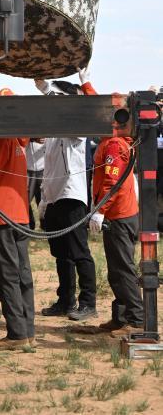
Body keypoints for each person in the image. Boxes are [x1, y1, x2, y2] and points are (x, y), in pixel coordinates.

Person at [79, 74, 144, 336]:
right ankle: (120, 317)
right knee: (117, 269)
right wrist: (86, 85)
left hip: (118, 214)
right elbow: (98, 106)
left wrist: (100, 211)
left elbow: (111, 183)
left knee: (122, 268)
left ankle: (136, 320)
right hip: (116, 214)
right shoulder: (112, 139)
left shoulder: (115, 145)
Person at [35, 76, 97, 321]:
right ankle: (65, 300)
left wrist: (47, 90)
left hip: (72, 196)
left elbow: (65, 110)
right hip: (54, 198)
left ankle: (88, 302)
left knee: (79, 251)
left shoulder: (77, 128)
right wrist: (43, 199)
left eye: (59, 99)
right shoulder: (52, 133)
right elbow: (48, 170)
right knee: (60, 254)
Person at [0, 87, 35, 350]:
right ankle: (28, 330)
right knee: (23, 273)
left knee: (6, 275)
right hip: (20, 214)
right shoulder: (19, 141)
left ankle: (16, 334)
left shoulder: (1, 137)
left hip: (1, 214)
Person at [26, 140, 45, 229]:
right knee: (25, 200)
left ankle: (45, 226)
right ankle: (30, 225)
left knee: (43, 200)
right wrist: (33, 138)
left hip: (43, 169)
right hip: (28, 170)